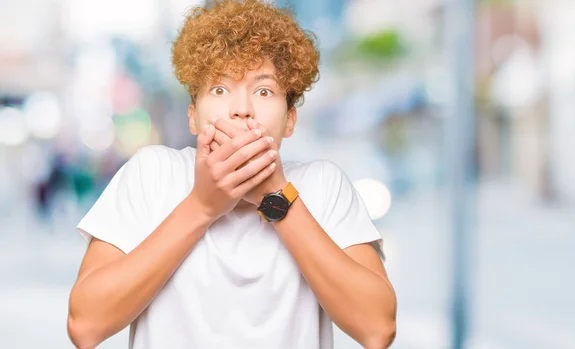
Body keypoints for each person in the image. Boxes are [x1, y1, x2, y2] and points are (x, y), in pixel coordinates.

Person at [67, 1, 397, 348]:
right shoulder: (152, 174)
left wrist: (276, 196)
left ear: (290, 120)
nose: (242, 109)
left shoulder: (323, 185)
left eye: (264, 91)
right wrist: (202, 206)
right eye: (220, 89)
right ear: (193, 116)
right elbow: (85, 325)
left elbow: (377, 329)